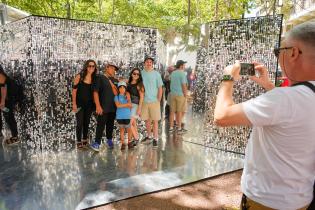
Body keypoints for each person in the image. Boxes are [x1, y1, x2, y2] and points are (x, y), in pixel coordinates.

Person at [214, 21, 315, 210]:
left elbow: (221, 116)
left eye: (279, 51)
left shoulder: (284, 100)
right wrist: (268, 86)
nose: (278, 57)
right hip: (300, 199)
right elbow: (293, 111)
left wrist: (227, 78)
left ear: (293, 52)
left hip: (267, 201)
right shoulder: (297, 97)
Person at [90, 62, 119, 152]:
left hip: (114, 107)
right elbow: (95, 92)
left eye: (115, 69)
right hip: (103, 107)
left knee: (110, 124)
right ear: (107, 68)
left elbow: (118, 94)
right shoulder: (100, 77)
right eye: (112, 68)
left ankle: (109, 140)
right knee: (101, 125)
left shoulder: (116, 80)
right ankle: (97, 143)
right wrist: (98, 106)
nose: (114, 70)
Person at [72, 59, 97, 149]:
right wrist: (74, 104)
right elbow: (74, 91)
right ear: (86, 66)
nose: (91, 68)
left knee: (86, 122)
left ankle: (85, 140)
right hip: (79, 104)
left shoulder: (95, 78)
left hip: (89, 104)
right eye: (89, 66)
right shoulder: (79, 76)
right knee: (79, 123)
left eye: (93, 66)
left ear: (95, 68)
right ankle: (78, 141)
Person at [140, 56, 163, 147]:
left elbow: (160, 88)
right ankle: (149, 136)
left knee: (155, 121)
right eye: (147, 62)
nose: (149, 63)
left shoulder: (156, 74)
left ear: (152, 64)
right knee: (147, 120)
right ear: (144, 63)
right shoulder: (141, 73)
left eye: (150, 62)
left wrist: (159, 100)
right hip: (144, 101)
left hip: (154, 101)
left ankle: (155, 138)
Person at [0, 65, 19, 145]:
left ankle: (15, 136)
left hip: (6, 98)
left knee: (8, 114)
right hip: (2, 98)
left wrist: (3, 102)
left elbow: (3, 87)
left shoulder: (0, 74)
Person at [169, 60, 188, 133]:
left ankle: (171, 127)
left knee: (172, 112)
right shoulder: (182, 74)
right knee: (179, 112)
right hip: (180, 95)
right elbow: (183, 85)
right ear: (181, 66)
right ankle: (179, 128)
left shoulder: (173, 73)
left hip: (172, 94)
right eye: (184, 65)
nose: (184, 66)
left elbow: (171, 82)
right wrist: (185, 94)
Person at [114, 81, 134, 150]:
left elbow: (130, 105)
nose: (122, 89)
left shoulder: (128, 96)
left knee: (129, 130)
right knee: (121, 130)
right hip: (119, 117)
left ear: (125, 89)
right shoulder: (116, 97)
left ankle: (129, 142)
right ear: (118, 89)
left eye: (123, 87)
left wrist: (125, 104)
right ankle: (123, 143)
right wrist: (126, 105)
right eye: (120, 87)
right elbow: (118, 106)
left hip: (127, 116)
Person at [127, 68, 144, 145]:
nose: (136, 75)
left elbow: (142, 98)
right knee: (133, 124)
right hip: (129, 105)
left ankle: (136, 138)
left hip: (135, 105)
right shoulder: (129, 83)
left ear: (139, 76)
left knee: (128, 123)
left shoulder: (139, 85)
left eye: (138, 74)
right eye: (134, 73)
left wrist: (140, 109)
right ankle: (135, 138)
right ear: (131, 74)